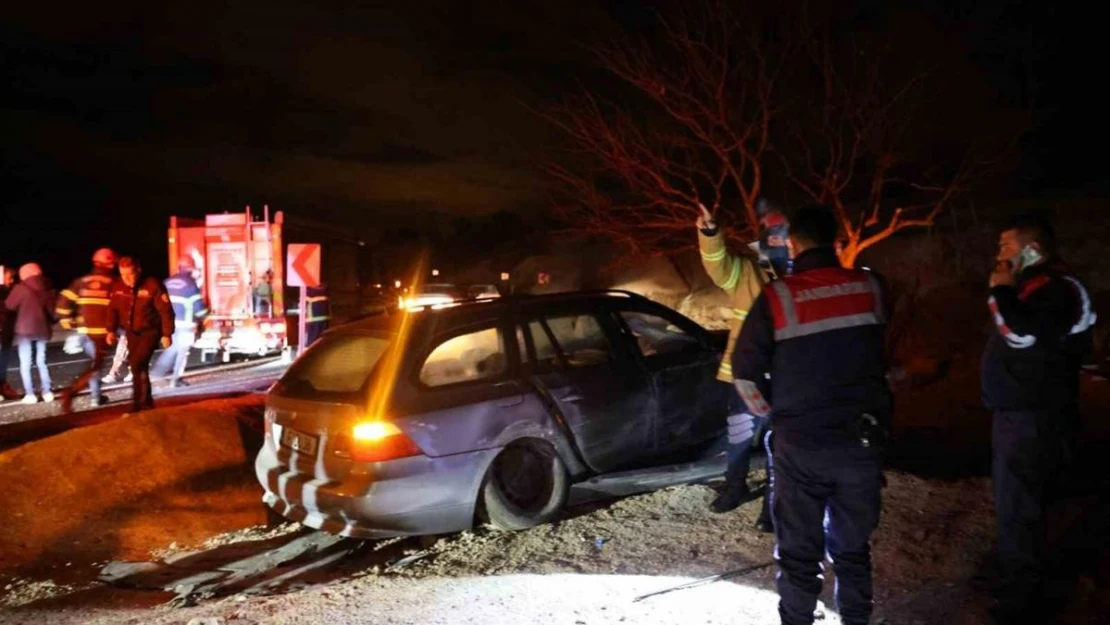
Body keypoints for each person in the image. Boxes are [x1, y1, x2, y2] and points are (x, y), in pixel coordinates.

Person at [731, 205, 891, 625]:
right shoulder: (872, 286)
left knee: (799, 552)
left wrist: (777, 417)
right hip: (862, 439)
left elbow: (745, 376)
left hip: (800, 442)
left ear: (792, 243)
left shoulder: (778, 297)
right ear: (836, 241)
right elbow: (888, 355)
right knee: (852, 548)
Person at [981, 214, 1091, 624]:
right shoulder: (1037, 288)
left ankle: (1020, 602)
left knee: (1020, 507)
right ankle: (1024, 581)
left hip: (1033, 416)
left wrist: (999, 292)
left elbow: (1019, 334)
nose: (1000, 256)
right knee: (1023, 502)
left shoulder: (1057, 289)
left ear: (1034, 250)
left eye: (1006, 247)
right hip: (1023, 413)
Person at [696, 200, 787, 531]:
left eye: (782, 234)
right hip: (744, 376)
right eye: (771, 234)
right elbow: (718, 266)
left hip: (784, 377)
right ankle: (734, 488)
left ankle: (771, 508)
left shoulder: (799, 279)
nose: (776, 241)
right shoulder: (748, 271)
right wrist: (710, 233)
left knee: (779, 444)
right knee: (738, 438)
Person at [106, 257, 174, 413]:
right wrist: (110, 330)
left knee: (137, 363)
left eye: (130, 274)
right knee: (138, 367)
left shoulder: (152, 285)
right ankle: (145, 402)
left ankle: (140, 402)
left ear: (138, 271)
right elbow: (112, 310)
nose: (126, 279)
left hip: (150, 332)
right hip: (131, 332)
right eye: (123, 275)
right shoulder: (118, 287)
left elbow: (166, 311)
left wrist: (167, 334)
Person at [58, 248, 118, 412]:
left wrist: (66, 320)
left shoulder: (82, 281)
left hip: (83, 332)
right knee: (95, 366)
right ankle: (73, 393)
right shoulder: (113, 283)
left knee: (94, 365)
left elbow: (63, 300)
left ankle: (95, 396)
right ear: (111, 264)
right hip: (101, 333)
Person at [4, 263, 58, 404]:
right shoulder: (48, 289)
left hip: (24, 331)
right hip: (42, 330)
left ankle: (30, 394)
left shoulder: (20, 289)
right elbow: (53, 313)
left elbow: (9, 305)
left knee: (25, 363)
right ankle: (47, 392)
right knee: (42, 361)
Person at [153, 258, 207, 387]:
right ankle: (172, 379)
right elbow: (198, 308)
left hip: (169, 323)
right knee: (181, 352)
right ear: (190, 270)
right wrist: (205, 314)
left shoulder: (167, 282)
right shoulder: (190, 284)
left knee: (172, 348)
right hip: (185, 325)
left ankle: (158, 375)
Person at [0, 266, 18, 401]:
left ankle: (2, 387)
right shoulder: (4, 293)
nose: (11, 281)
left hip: (6, 334)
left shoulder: (8, 292)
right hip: (3, 334)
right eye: (9, 278)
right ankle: (3, 388)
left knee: (3, 363)